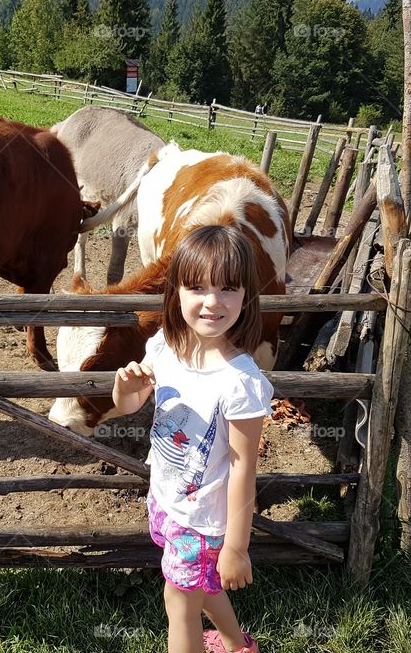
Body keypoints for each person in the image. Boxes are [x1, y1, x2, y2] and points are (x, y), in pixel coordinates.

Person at [113, 225, 273, 653]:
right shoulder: (164, 345)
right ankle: (237, 644)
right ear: (177, 290)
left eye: (227, 288)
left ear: (245, 296)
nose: (212, 301)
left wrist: (237, 547)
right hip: (167, 499)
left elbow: (243, 467)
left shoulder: (241, 383)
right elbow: (131, 406)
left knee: (178, 601)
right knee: (200, 586)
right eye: (197, 286)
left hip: (204, 520)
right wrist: (125, 387)